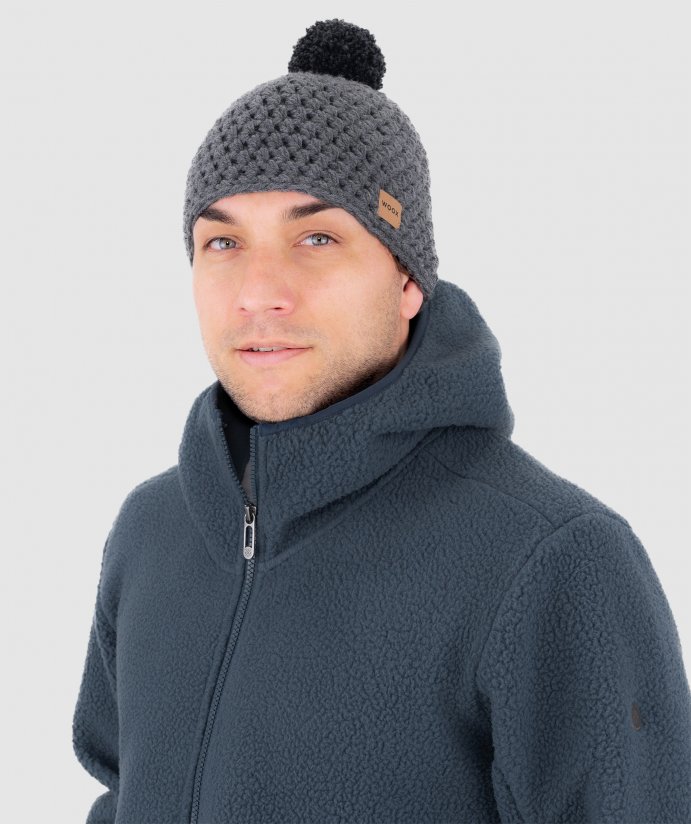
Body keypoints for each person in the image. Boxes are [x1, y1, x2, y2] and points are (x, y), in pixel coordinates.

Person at [71, 18, 691, 824]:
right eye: (222, 243)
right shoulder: (152, 531)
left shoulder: (551, 559)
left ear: (406, 281)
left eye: (316, 236)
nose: (259, 292)